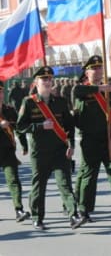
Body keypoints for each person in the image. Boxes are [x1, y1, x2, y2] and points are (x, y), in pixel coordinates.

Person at [16, 66, 84, 230]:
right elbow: (20, 127)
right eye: (43, 79)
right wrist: (40, 126)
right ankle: (37, 217)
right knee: (39, 186)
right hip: (40, 152)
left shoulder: (60, 102)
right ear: (36, 82)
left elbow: (69, 125)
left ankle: (73, 215)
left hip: (60, 150)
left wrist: (71, 144)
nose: (47, 82)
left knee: (65, 183)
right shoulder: (29, 102)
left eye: (49, 79)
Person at [73, 55, 111, 227]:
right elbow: (76, 91)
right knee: (89, 177)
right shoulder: (82, 90)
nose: (98, 71)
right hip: (90, 140)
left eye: (100, 68)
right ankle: (84, 211)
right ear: (87, 71)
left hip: (109, 139)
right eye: (94, 68)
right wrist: (99, 89)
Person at [0, 80, 30, 223]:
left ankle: (19, 209)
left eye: (0, 92)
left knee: (13, 180)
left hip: (7, 151)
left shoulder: (9, 110)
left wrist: (24, 144)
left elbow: (19, 127)